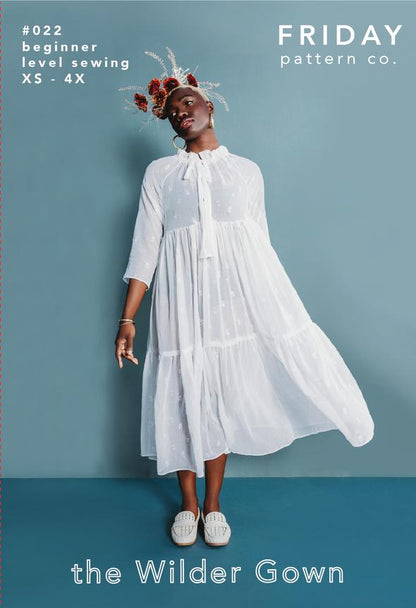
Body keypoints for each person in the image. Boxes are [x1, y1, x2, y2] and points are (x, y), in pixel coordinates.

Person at [115, 48, 375, 548]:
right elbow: (145, 249)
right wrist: (127, 319)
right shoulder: (160, 175)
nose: (181, 112)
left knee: (218, 397)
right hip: (178, 300)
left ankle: (213, 505)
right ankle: (188, 505)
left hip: (229, 301)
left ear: (208, 105)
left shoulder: (247, 172)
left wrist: (270, 310)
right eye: (172, 111)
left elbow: (259, 246)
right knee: (182, 391)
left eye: (188, 102)